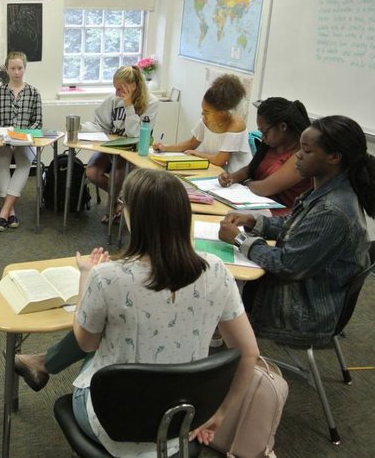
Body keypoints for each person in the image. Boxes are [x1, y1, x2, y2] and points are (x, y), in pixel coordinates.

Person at [14, 170, 259, 455]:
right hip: (180, 420)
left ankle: (43, 362)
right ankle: (42, 362)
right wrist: (220, 414)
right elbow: (249, 353)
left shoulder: (107, 277)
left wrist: (86, 279)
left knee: (97, 342)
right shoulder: (217, 270)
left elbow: (84, 343)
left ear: (132, 215)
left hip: (112, 423)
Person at [218, 115, 375, 347]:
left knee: (217, 281)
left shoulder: (333, 210)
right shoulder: (327, 190)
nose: (298, 155)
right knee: (223, 280)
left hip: (303, 311)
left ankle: (226, 356)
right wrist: (254, 222)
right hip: (309, 289)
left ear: (334, 157)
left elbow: (287, 265)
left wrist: (240, 239)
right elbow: (296, 225)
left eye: (306, 150)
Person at [81, 65, 159, 223]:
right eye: (115, 89)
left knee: (118, 172)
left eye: (119, 89)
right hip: (112, 147)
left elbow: (135, 135)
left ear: (133, 86)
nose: (116, 93)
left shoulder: (151, 103)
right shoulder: (113, 99)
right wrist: (84, 128)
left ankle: (111, 206)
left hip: (134, 150)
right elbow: (100, 123)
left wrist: (129, 106)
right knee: (92, 172)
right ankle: (120, 201)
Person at [218, 97, 312, 215]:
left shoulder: (301, 155)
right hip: (255, 204)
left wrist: (245, 183)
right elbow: (251, 169)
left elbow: (265, 188)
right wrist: (232, 177)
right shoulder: (271, 144)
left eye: (265, 132)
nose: (262, 137)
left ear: (283, 127)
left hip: (280, 216)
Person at [0, 51, 42, 231]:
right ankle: (11, 210)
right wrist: (0, 131)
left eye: (20, 68)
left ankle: (4, 211)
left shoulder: (34, 92)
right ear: (7, 69)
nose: (16, 72)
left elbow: (38, 122)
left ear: (24, 68)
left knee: (24, 163)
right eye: (13, 68)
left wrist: (24, 134)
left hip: (25, 142)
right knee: (1, 161)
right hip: (5, 140)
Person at [154, 74, 251, 173]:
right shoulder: (207, 120)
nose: (202, 114)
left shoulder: (236, 125)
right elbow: (191, 143)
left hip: (236, 177)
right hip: (214, 170)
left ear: (222, 112)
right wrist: (165, 147)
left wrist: (197, 154)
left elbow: (219, 160)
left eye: (207, 112)